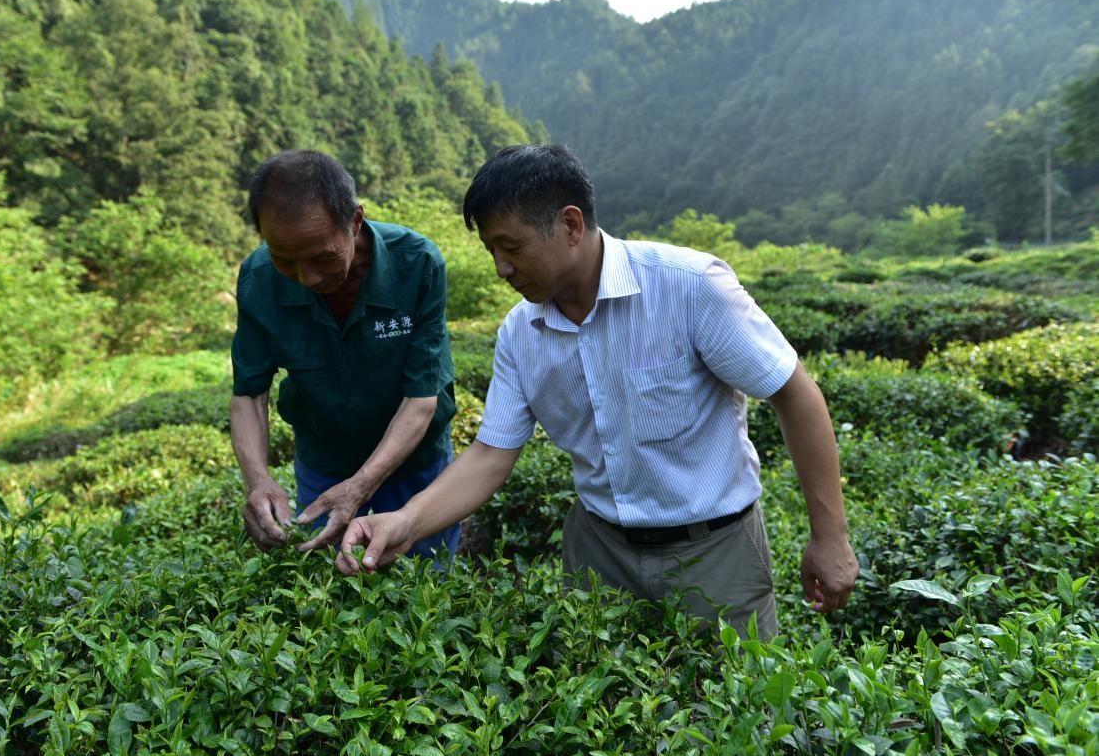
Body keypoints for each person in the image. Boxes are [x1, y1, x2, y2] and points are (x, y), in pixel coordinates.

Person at [336, 144, 858, 637]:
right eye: (491, 249)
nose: (501, 269)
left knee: (740, 714)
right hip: (599, 553)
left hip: (715, 553)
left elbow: (795, 394)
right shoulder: (522, 332)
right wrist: (404, 522)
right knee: (606, 716)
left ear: (570, 224)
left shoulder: (689, 287)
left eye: (511, 246)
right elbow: (492, 455)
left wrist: (830, 536)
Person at [230, 150, 459, 558]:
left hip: (415, 463)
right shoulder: (258, 279)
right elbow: (250, 393)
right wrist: (258, 480)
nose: (308, 278)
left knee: (426, 585)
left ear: (355, 220)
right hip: (325, 459)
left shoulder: (418, 263)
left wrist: (360, 486)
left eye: (322, 257)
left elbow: (421, 399)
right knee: (323, 585)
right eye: (285, 261)